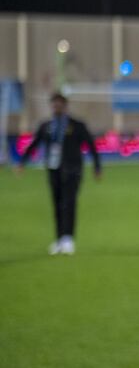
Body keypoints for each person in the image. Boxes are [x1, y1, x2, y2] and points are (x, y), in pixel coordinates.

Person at [17, 92, 101, 255]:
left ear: (65, 105)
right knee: (56, 204)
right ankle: (58, 239)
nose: (57, 107)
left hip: (72, 170)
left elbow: (91, 146)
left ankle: (68, 238)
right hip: (53, 169)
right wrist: (22, 162)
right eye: (54, 104)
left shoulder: (76, 125)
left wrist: (97, 167)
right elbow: (34, 144)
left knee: (69, 203)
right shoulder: (47, 126)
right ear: (52, 106)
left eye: (59, 104)